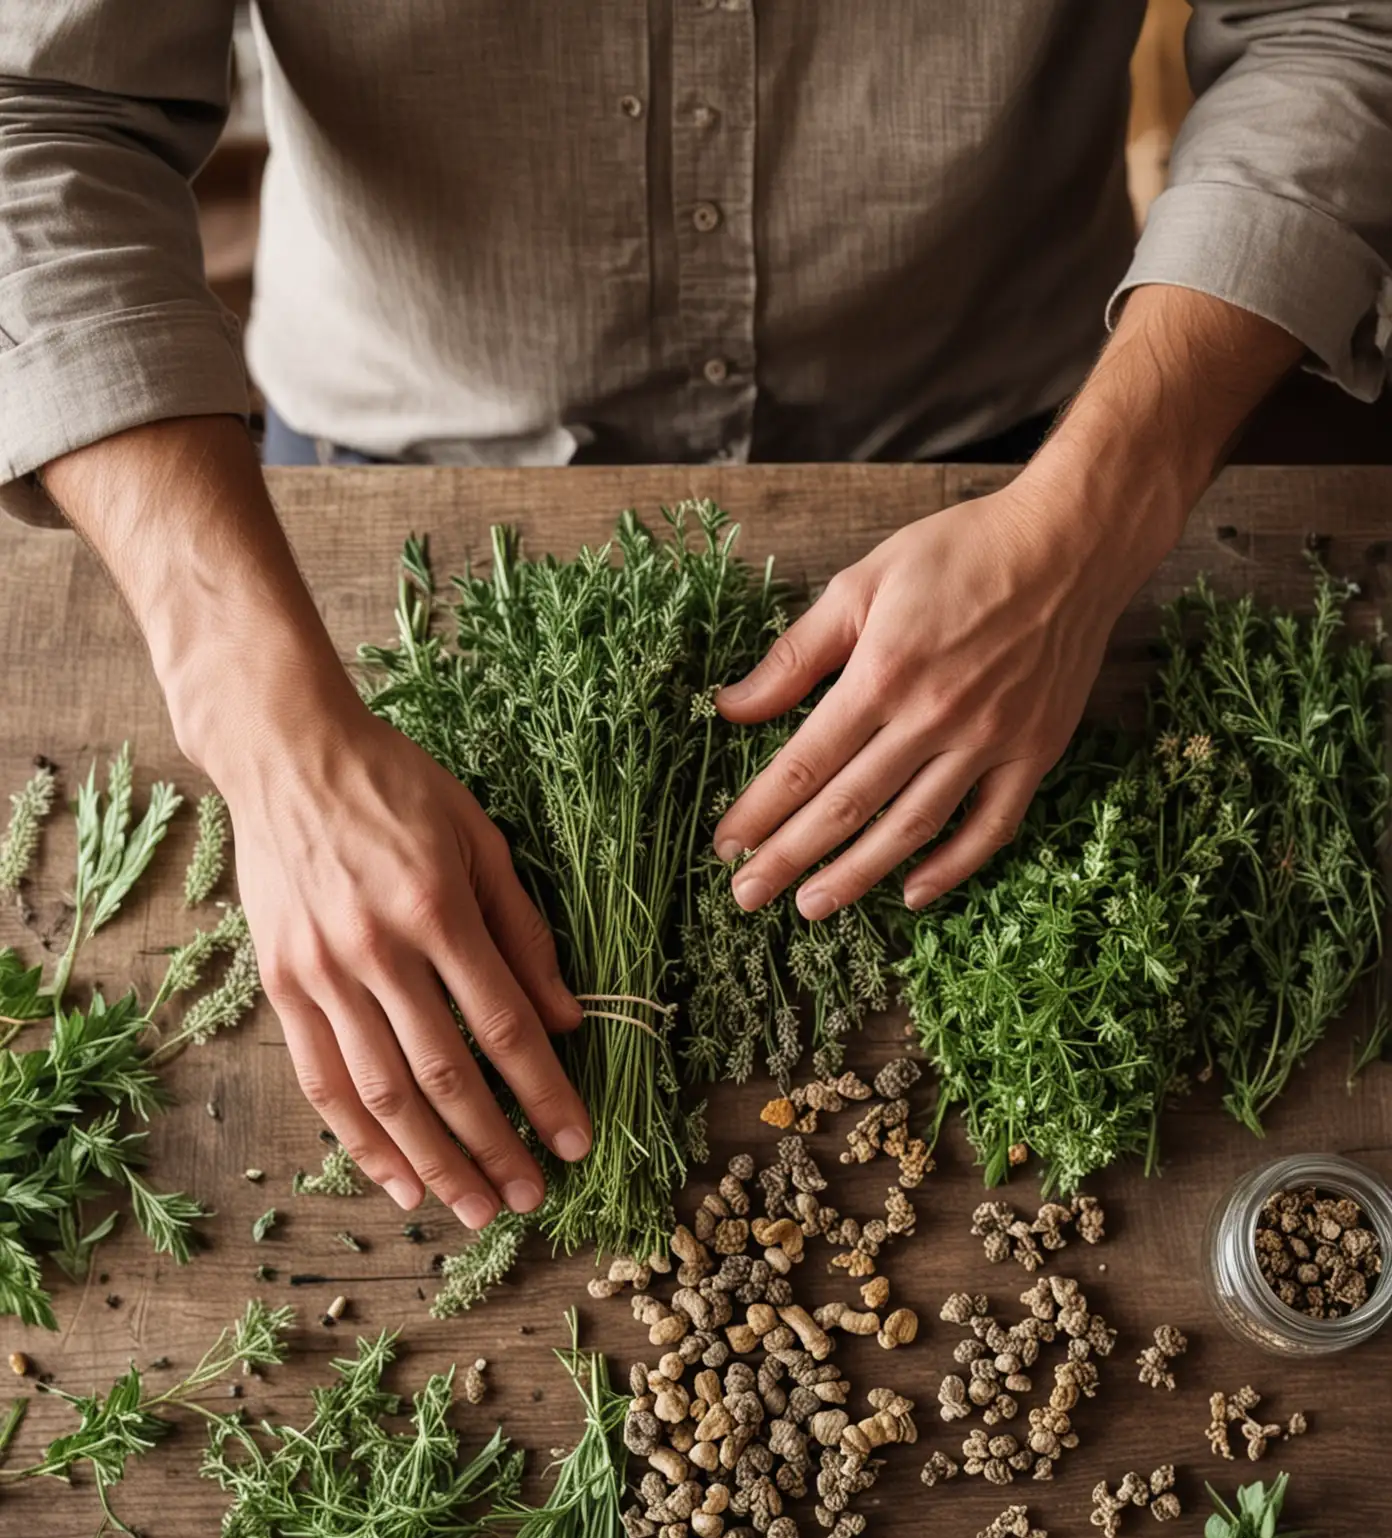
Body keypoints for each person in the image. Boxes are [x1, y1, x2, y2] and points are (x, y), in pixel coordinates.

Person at [2, 4, 1388, 1233]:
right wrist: (262, 728)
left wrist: (1097, 514)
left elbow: (1341, 25)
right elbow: (37, 112)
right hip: (394, 460)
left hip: (1021, 452)